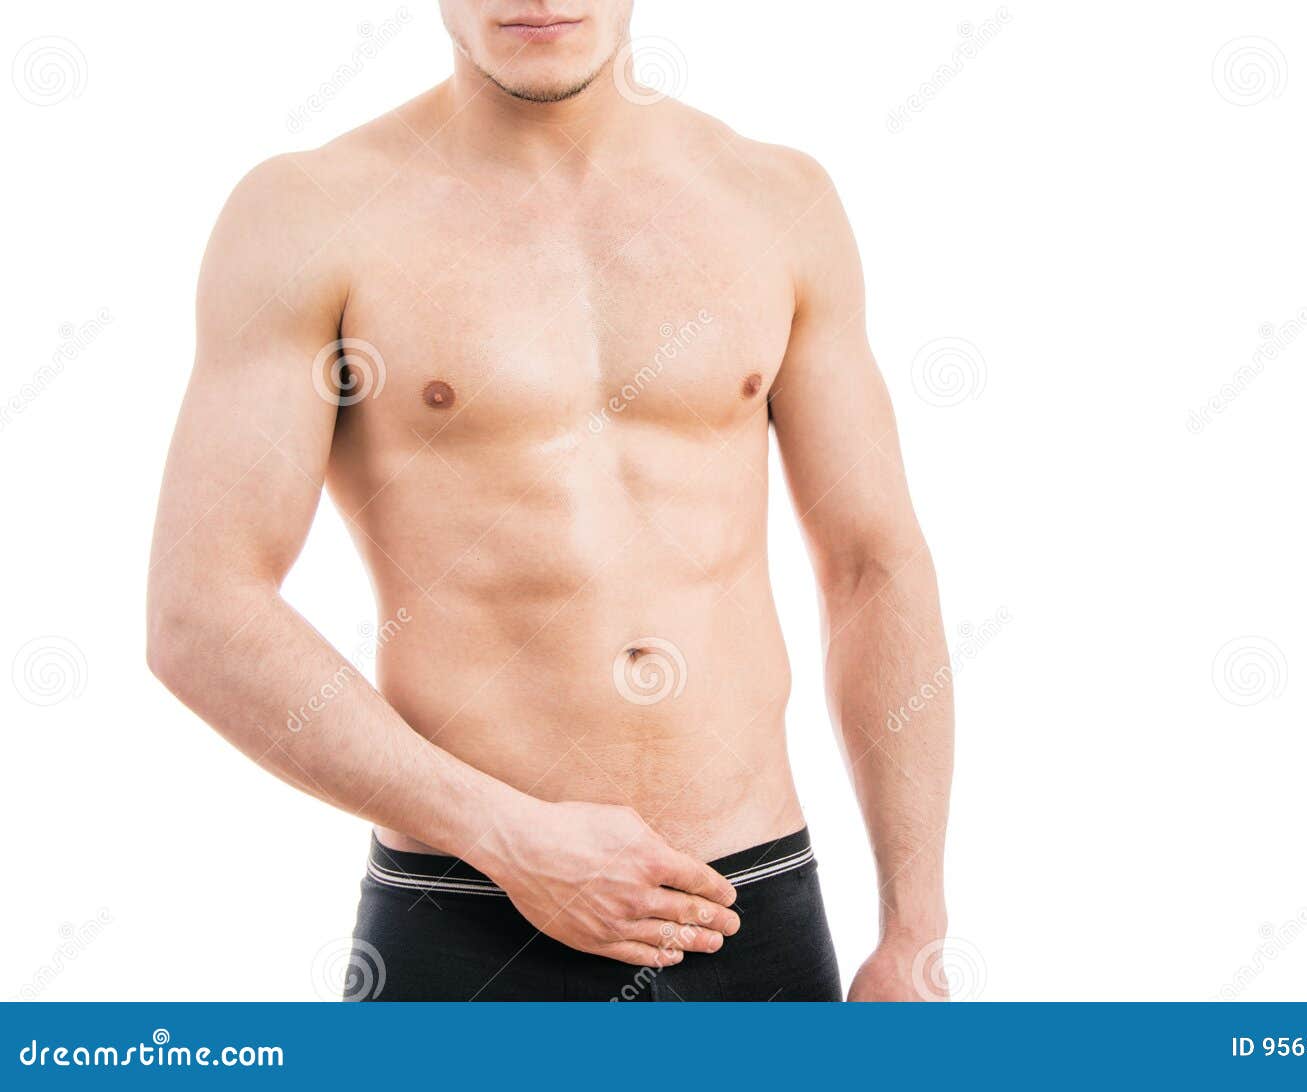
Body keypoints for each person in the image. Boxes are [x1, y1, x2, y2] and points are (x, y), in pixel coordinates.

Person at [146, 0, 954, 1001]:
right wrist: (503, 832)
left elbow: (873, 565)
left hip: (750, 918)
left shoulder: (775, 200)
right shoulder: (312, 214)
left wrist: (912, 931)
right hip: (464, 915)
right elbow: (201, 612)